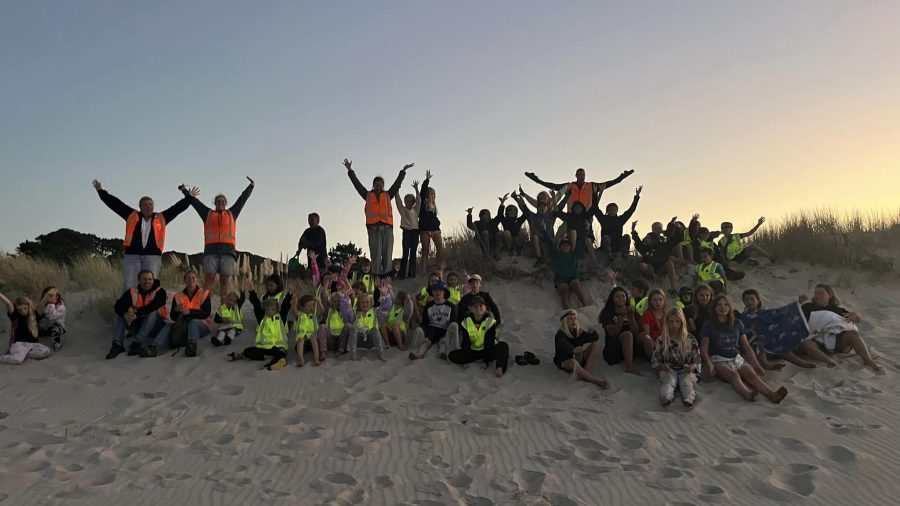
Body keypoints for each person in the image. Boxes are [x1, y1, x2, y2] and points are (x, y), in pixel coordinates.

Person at [93, 179, 197, 291]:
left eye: (150, 205)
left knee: (150, 286)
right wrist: (101, 191)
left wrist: (189, 197)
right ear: (140, 207)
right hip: (132, 256)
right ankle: (130, 308)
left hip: (152, 257)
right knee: (130, 285)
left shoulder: (161, 218)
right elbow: (115, 204)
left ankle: (149, 308)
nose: (148, 207)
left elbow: (177, 208)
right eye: (145, 205)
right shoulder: (131, 215)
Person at [700, 295, 789, 403]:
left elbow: (746, 346)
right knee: (734, 376)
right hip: (718, 359)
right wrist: (710, 365)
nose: (723, 307)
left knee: (751, 375)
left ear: (729, 307)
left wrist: (756, 364)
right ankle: (747, 393)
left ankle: (772, 394)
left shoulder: (737, 323)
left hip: (736, 357)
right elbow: (704, 349)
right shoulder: (708, 324)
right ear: (714, 308)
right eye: (719, 305)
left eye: (726, 304)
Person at [180, 177, 255, 298]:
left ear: (226, 203)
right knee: (209, 280)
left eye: (223, 201)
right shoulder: (207, 213)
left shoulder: (232, 213)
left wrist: (251, 186)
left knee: (225, 282)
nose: (221, 203)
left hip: (228, 253)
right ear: (214, 203)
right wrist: (184, 190)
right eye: (218, 201)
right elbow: (195, 203)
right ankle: (204, 310)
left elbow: (242, 200)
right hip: (211, 252)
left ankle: (224, 313)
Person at [343, 158, 413, 275]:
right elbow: (357, 184)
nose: (379, 187)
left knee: (387, 255)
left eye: (381, 185)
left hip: (387, 230)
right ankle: (376, 279)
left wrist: (403, 171)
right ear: (373, 185)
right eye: (376, 185)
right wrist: (350, 170)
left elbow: (397, 184)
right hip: (374, 231)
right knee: (375, 256)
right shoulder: (367, 195)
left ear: (383, 186)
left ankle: (386, 280)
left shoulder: (388, 195)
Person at [798, 284, 880, 371]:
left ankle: (868, 361)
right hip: (816, 341)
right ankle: (829, 361)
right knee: (804, 343)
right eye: (815, 293)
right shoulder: (808, 307)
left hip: (835, 340)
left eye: (821, 293)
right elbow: (796, 319)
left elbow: (855, 320)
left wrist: (856, 315)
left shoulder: (836, 310)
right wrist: (798, 303)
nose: (817, 295)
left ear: (830, 295)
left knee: (853, 334)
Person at [740, 289, 815, 370]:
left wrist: (798, 303)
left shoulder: (765, 312)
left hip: (769, 339)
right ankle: (766, 364)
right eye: (746, 299)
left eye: (752, 299)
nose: (749, 301)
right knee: (760, 348)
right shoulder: (743, 316)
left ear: (758, 300)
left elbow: (780, 313)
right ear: (743, 302)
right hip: (754, 341)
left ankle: (802, 363)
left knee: (782, 348)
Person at [105, 270, 168, 359]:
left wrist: (135, 313)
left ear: (153, 280)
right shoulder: (132, 292)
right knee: (120, 314)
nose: (147, 282)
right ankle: (117, 345)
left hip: (156, 327)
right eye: (144, 279)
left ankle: (137, 343)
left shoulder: (160, 291)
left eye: (150, 279)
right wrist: (126, 314)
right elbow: (118, 305)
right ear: (139, 280)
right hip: (138, 325)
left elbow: (153, 306)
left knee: (152, 312)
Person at [154, 270, 212, 357]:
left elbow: (206, 313)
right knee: (168, 325)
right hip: (183, 325)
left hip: (202, 324)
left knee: (193, 323)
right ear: (184, 280)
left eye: (193, 278)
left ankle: (191, 346)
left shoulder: (204, 293)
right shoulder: (177, 296)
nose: (191, 280)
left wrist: (190, 311)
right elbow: (173, 317)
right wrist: (177, 310)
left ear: (197, 280)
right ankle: (154, 346)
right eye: (188, 278)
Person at [524, 167, 634, 212]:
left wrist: (620, 178)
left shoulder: (591, 186)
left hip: (586, 214)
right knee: (563, 233)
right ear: (576, 175)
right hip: (571, 214)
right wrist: (538, 181)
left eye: (583, 174)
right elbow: (553, 186)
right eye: (580, 174)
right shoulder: (569, 186)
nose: (582, 176)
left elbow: (607, 184)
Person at [448, 296, 509, 378]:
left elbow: (489, 343)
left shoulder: (490, 322)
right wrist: (466, 355)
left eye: (481, 305)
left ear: (485, 308)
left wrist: (486, 361)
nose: (478, 308)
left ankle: (500, 368)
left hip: (486, 350)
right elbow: (466, 343)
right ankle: (475, 360)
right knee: (452, 355)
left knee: (503, 346)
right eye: (475, 306)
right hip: (473, 351)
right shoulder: (466, 322)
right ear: (471, 308)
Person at [651, 308, 701, 407]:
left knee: (686, 381)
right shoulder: (662, 340)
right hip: (669, 369)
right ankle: (666, 397)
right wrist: (662, 366)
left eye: (677, 321)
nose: (674, 325)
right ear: (667, 323)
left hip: (686, 369)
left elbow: (697, 359)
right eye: (671, 322)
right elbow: (655, 360)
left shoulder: (690, 339)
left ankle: (689, 398)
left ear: (682, 322)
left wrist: (691, 367)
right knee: (670, 380)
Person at [227, 298, 289, 370]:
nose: (270, 311)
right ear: (265, 310)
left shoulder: (280, 318)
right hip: (265, 348)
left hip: (279, 347)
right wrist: (252, 292)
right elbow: (256, 306)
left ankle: (272, 364)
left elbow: (285, 306)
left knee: (281, 353)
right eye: (268, 309)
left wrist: (289, 295)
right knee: (248, 351)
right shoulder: (263, 320)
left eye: (273, 309)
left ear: (276, 309)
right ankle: (241, 355)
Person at [554, 309, 607, 388]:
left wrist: (592, 332)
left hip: (578, 357)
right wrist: (573, 349)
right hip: (565, 360)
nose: (573, 320)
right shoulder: (560, 334)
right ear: (565, 322)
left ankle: (586, 371)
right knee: (573, 362)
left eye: (575, 318)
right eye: (570, 319)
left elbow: (594, 338)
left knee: (595, 344)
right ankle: (594, 380)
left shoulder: (578, 332)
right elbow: (563, 344)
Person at [409, 281, 458, 360]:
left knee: (443, 341)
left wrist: (451, 329)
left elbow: (453, 320)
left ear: (444, 292)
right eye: (435, 290)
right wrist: (423, 329)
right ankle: (419, 354)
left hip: (445, 328)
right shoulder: (429, 306)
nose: (438, 292)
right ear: (432, 292)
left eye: (440, 290)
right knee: (427, 341)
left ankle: (442, 353)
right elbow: (425, 322)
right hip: (432, 328)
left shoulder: (450, 305)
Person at [513, 189, 563, 265]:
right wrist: (517, 198)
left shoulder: (551, 215)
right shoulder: (532, 216)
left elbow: (557, 210)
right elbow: (524, 208)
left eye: (544, 206)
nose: (542, 208)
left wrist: (557, 197)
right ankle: (539, 258)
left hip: (549, 240)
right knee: (535, 237)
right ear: (537, 207)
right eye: (540, 206)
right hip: (537, 242)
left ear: (547, 207)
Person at [0, 292, 51, 365]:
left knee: (46, 351)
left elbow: (41, 305)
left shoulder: (34, 315)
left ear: (28, 306)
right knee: (18, 360)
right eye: (20, 310)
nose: (23, 311)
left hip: (33, 344)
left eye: (25, 308)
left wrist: (48, 295)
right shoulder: (16, 316)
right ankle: (2, 358)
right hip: (20, 344)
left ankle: (26, 354)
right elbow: (8, 303)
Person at [600, 286, 642, 374]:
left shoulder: (631, 310)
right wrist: (622, 317)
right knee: (627, 334)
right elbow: (612, 333)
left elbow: (636, 332)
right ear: (613, 299)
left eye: (623, 296)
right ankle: (630, 366)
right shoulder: (608, 312)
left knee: (637, 335)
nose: (621, 298)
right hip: (613, 349)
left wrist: (631, 317)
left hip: (630, 348)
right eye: (617, 296)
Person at [631, 219, 682, 293]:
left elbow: (676, 239)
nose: (646, 239)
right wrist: (633, 230)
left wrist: (679, 228)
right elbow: (637, 240)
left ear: (653, 239)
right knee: (642, 265)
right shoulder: (644, 248)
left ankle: (673, 288)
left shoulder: (663, 246)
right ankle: (653, 276)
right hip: (650, 269)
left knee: (669, 263)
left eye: (648, 238)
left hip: (661, 268)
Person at [595, 186, 641, 261]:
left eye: (614, 210)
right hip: (606, 245)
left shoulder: (620, 220)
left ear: (617, 211)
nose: (612, 211)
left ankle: (624, 253)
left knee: (626, 236)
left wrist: (637, 196)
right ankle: (609, 255)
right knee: (606, 237)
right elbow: (595, 208)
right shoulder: (603, 219)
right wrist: (595, 194)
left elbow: (631, 210)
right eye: (610, 210)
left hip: (617, 246)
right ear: (607, 211)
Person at [349, 289, 391, 362]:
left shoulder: (375, 311)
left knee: (374, 329)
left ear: (371, 303)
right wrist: (356, 318)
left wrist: (385, 296)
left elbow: (384, 308)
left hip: (372, 341)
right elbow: (347, 314)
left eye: (367, 302)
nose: (365, 304)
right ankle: (353, 354)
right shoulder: (355, 313)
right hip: (360, 341)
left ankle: (381, 354)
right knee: (353, 328)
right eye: (362, 302)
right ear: (359, 303)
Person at [416, 170, 445, 272]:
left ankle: (440, 269)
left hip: (436, 229)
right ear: (428, 194)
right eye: (432, 194)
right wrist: (427, 180)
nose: (434, 196)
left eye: (435, 194)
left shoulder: (434, 206)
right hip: (425, 230)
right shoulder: (422, 203)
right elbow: (423, 190)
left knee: (440, 249)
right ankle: (423, 271)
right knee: (425, 251)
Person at [548, 239, 590, 309]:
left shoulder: (574, 255)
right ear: (560, 247)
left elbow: (581, 243)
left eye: (567, 245)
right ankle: (567, 310)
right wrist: (544, 230)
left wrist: (586, 229)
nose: (565, 247)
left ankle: (585, 306)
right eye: (563, 245)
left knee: (575, 283)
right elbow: (549, 243)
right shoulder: (556, 255)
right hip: (561, 280)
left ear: (570, 247)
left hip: (573, 278)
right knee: (565, 289)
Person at [317, 291, 354, 359]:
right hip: (331, 340)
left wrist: (345, 304)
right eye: (335, 301)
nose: (337, 303)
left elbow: (351, 320)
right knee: (322, 326)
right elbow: (324, 300)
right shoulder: (329, 311)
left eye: (339, 301)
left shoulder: (347, 311)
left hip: (342, 340)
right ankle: (323, 351)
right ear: (332, 302)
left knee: (348, 325)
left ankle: (341, 351)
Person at [395, 180, 421, 279]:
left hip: (415, 232)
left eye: (411, 201)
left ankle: (412, 273)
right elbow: (398, 202)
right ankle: (402, 274)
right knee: (405, 253)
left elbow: (419, 200)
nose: (409, 202)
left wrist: (416, 189)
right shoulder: (403, 210)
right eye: (407, 200)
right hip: (406, 232)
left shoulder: (415, 210)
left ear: (413, 202)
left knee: (413, 253)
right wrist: (397, 191)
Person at [291, 294, 322, 367]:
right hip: (303, 345)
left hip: (313, 343)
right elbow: (293, 310)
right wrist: (295, 299)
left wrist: (318, 301)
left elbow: (321, 311)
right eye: (309, 306)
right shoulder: (300, 315)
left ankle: (316, 358)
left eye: (312, 305)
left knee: (313, 337)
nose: (311, 308)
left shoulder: (313, 315)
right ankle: (301, 359)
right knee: (300, 339)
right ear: (302, 307)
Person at [637, 289, 668, 362]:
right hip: (651, 344)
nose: (658, 302)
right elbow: (647, 334)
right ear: (650, 301)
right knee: (646, 337)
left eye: (660, 299)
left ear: (664, 300)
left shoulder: (666, 314)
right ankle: (656, 362)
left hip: (663, 343)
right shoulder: (648, 314)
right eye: (655, 300)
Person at [37, 286, 66, 350]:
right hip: (42, 330)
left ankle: (57, 345)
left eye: (55, 295)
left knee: (56, 325)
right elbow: (38, 312)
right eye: (48, 296)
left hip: (57, 328)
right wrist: (45, 299)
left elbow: (53, 317)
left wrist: (51, 305)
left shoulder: (60, 306)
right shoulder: (42, 305)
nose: (53, 297)